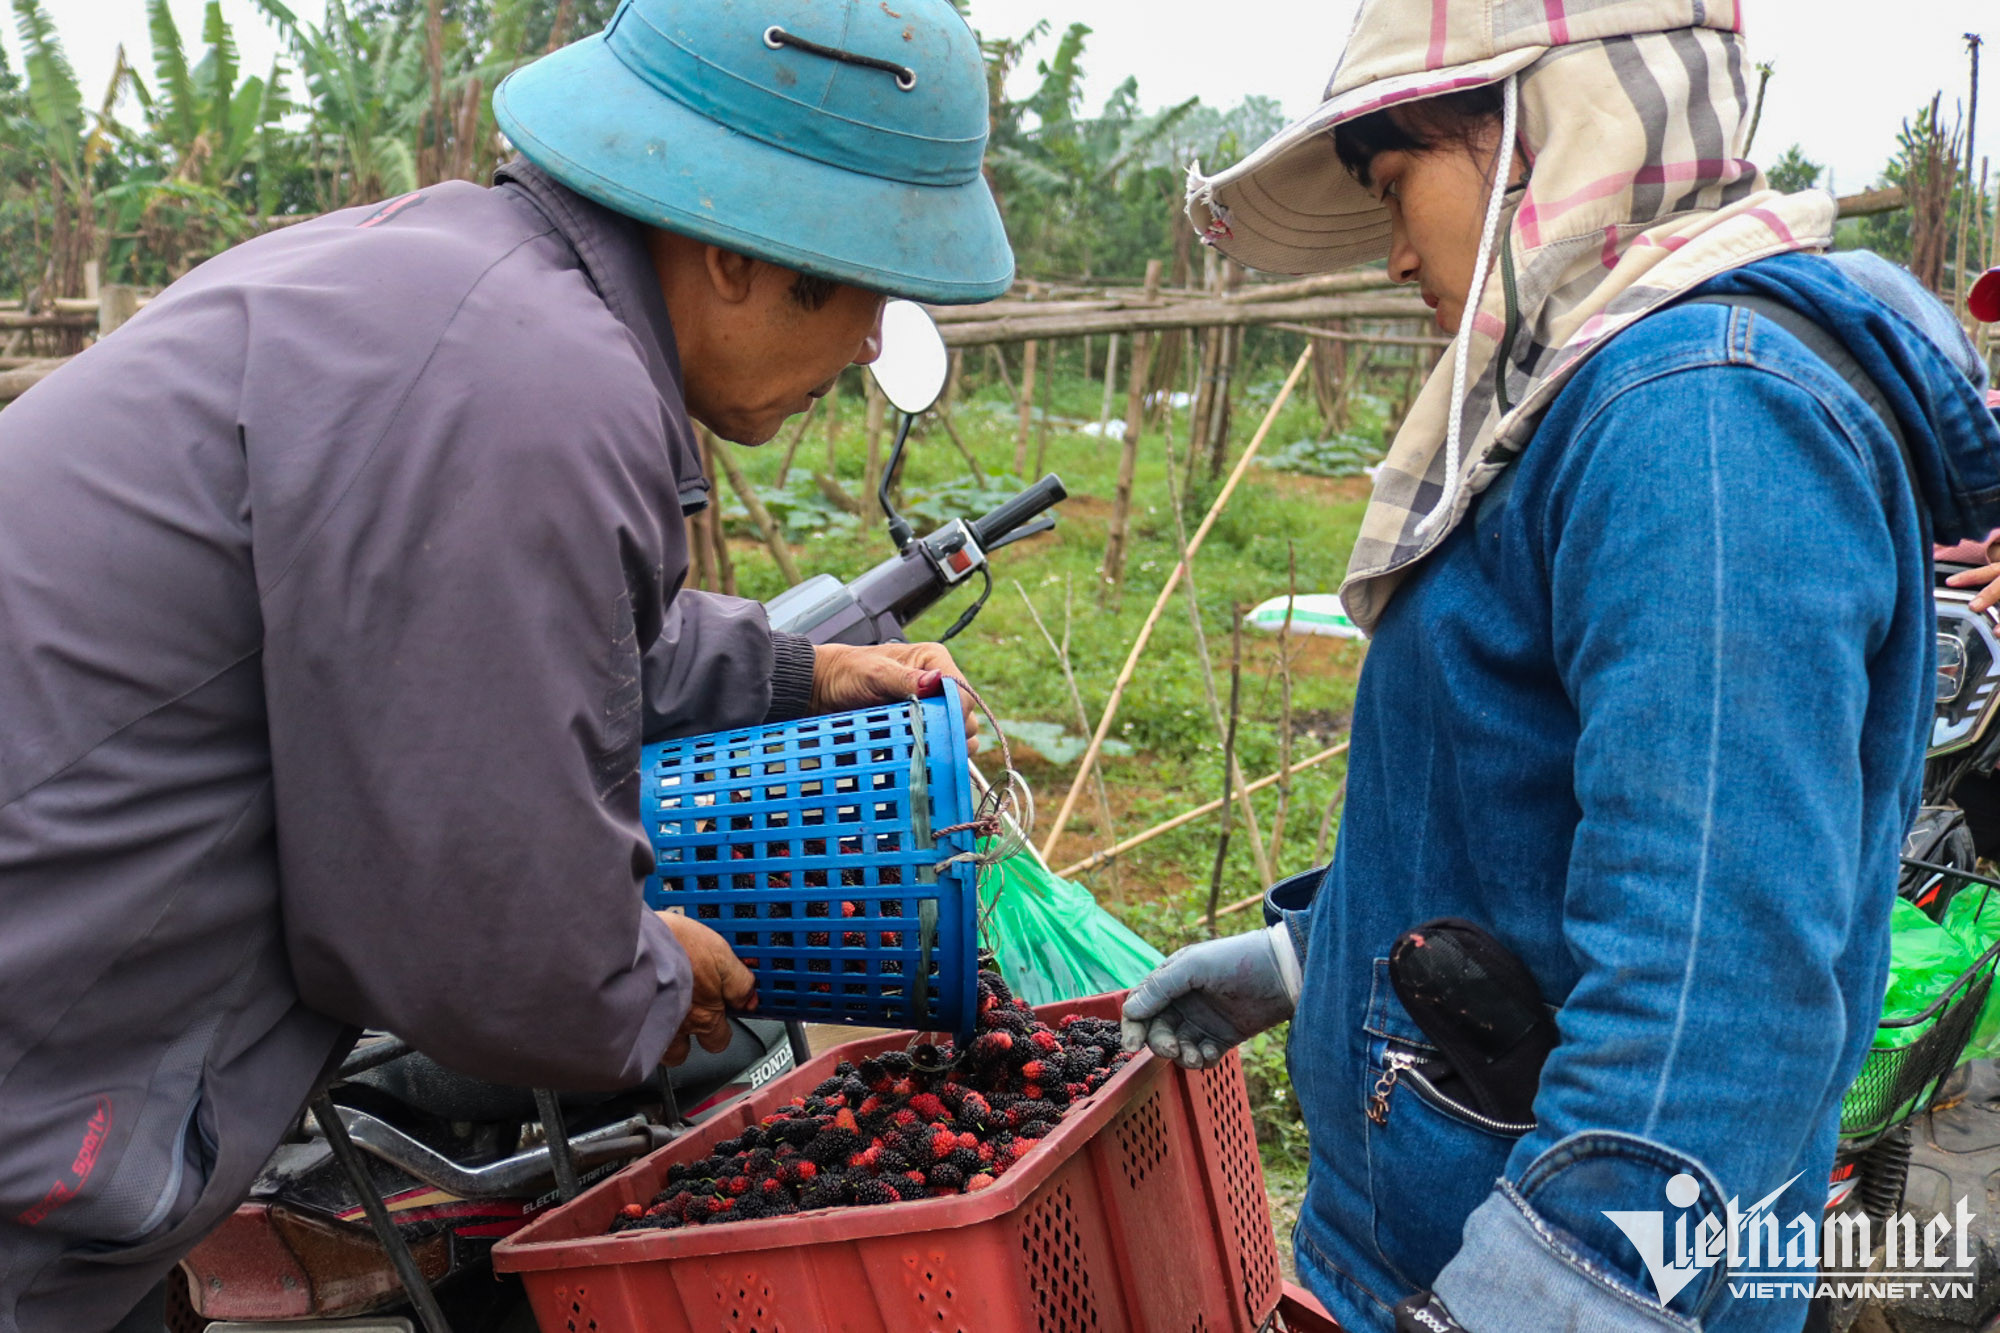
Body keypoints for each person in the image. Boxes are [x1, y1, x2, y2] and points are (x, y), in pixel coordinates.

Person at [0, 0, 1008, 1325]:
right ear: (738, 247)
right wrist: (651, 976)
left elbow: (511, 640)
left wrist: (796, 672)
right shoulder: (537, 393)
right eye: (870, 283)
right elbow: (483, 935)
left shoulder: (473, 298)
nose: (874, 342)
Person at [1123, 2, 2000, 1331]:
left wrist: (1555, 1288)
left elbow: (1716, 984)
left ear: (1541, 135)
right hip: (1428, 1235)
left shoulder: (1706, 417)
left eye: (1399, 181)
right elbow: (1527, 802)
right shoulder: (1600, 394)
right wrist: (1312, 958)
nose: (1396, 244)